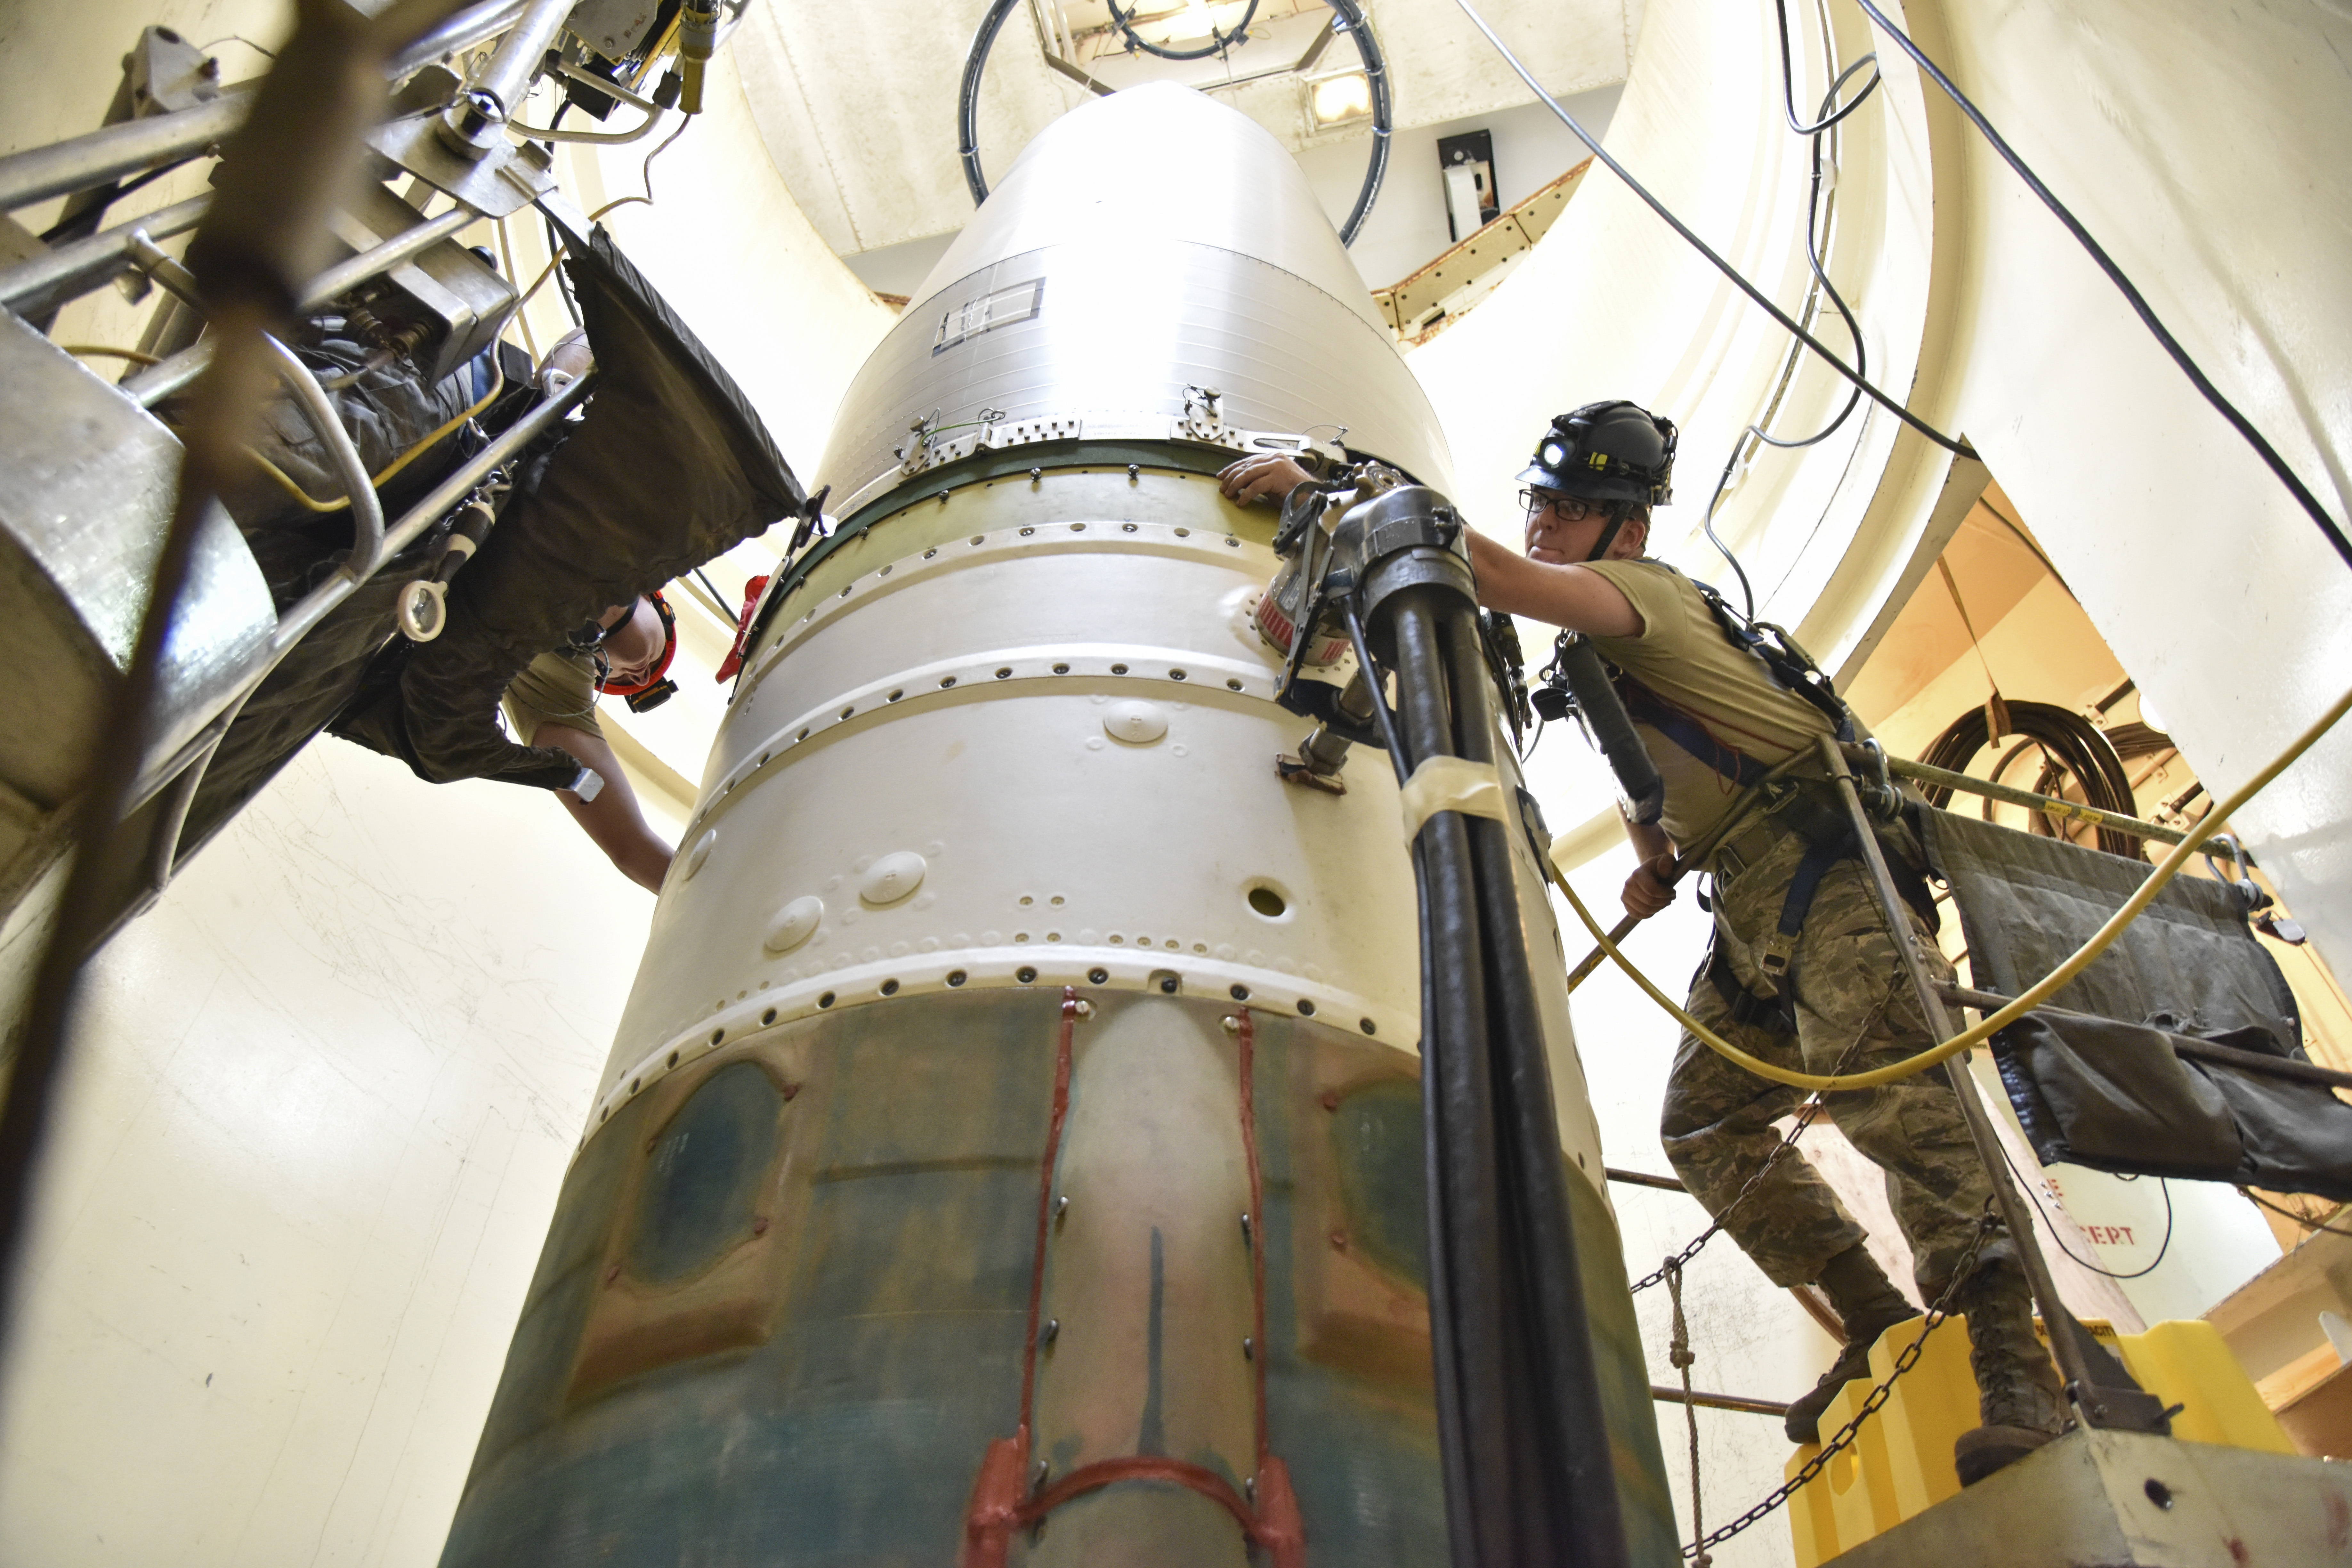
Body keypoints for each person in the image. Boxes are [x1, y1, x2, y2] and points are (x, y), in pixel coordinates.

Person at [1217, 404, 2067, 1487]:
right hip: (1749, 896)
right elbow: (1646, 769)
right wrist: (1653, 855)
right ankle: (1877, 1319)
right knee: (1705, 1121)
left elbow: (1476, 570)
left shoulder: (1647, 595)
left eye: (1570, 510)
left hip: (1828, 872)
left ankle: (2017, 1375)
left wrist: (1321, 489)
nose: (1543, 524)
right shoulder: (1592, 655)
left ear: (1624, 528)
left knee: (1906, 1116)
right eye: (1538, 502)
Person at [502, 594, 676, 893]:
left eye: (611, 674)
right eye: (660, 657)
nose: (642, 675)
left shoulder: (552, 691)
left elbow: (632, 846)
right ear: (655, 599)